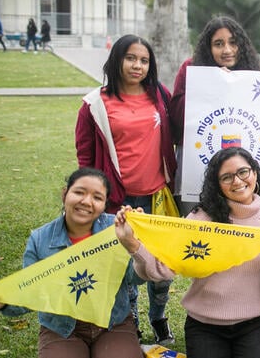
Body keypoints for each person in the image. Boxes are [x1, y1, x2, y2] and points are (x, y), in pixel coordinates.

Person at [115, 147, 260, 358]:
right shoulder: (200, 219)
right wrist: (133, 244)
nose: (237, 181)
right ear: (217, 184)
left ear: (255, 173)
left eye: (243, 172)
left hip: (257, 323)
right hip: (204, 325)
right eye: (227, 177)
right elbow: (164, 269)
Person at [0, 168, 142, 358]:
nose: (86, 202)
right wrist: (4, 303)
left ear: (104, 205)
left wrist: (134, 244)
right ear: (65, 193)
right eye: (79, 192)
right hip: (62, 328)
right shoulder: (40, 239)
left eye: (97, 197)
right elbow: (33, 290)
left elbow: (136, 278)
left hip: (113, 323)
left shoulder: (116, 229)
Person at [74, 34, 177, 345]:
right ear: (117, 59)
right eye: (131, 58)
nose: (137, 65)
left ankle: (158, 317)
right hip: (116, 202)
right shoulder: (94, 104)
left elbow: (189, 114)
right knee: (125, 265)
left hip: (156, 196)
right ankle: (130, 320)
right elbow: (85, 154)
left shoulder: (159, 95)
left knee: (161, 266)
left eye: (144, 60)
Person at [169, 16, 260, 215]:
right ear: (208, 48)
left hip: (238, 169)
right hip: (195, 164)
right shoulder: (190, 68)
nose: (227, 50)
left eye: (233, 42)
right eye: (218, 44)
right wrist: (211, 84)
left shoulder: (251, 72)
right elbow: (176, 116)